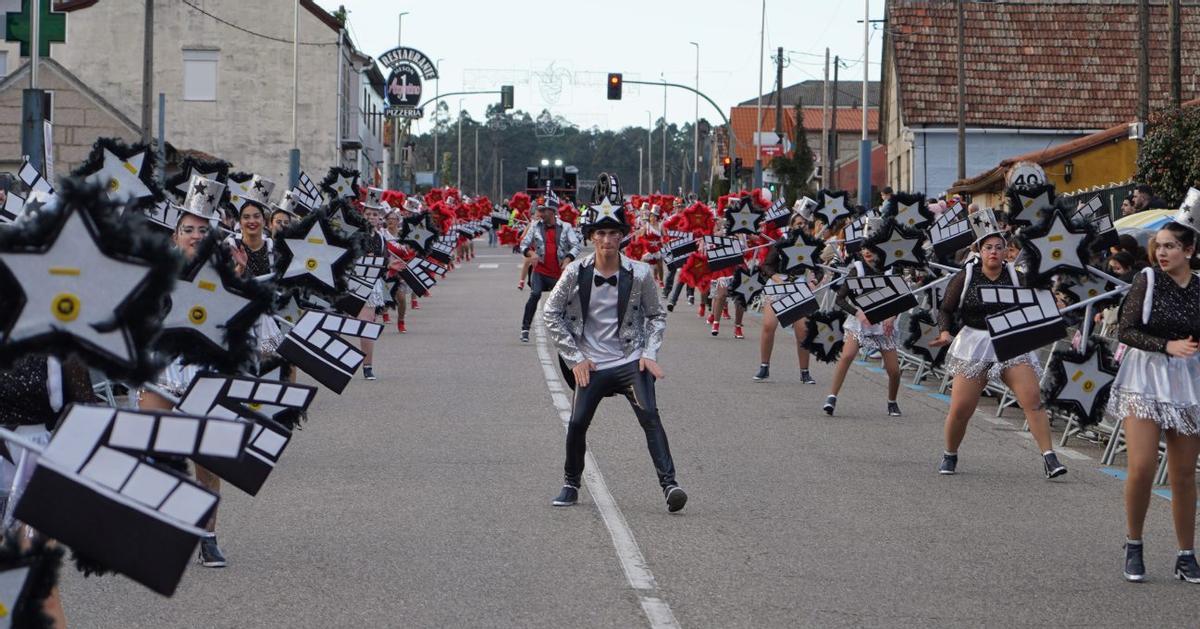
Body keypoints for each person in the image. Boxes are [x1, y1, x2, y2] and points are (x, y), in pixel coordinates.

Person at [543, 179, 685, 513]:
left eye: (614, 233)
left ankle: (671, 485)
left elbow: (656, 315)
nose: (607, 240)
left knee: (650, 415)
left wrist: (649, 354)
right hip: (591, 363)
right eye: (601, 234)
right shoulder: (575, 272)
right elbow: (551, 313)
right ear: (592, 236)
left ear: (622, 236)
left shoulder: (640, 273)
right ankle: (570, 484)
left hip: (629, 360)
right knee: (577, 423)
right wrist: (575, 357)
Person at [928, 209, 1067, 479]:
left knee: (1032, 399)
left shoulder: (1017, 276)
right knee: (960, 409)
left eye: (999, 247)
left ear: (1007, 251)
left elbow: (1039, 298)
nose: (994, 252)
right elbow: (946, 308)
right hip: (975, 341)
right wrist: (945, 333)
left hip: (1009, 339)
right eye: (988, 247)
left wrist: (1056, 303)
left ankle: (1049, 458)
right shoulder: (966, 275)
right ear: (980, 250)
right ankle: (950, 453)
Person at [1108, 221, 1200, 583]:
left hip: (1187, 380)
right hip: (1145, 376)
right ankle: (1134, 543)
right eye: (1158, 246)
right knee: (1143, 465)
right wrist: (1166, 346)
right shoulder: (1146, 280)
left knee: (1182, 474)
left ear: (1189, 251)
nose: (1161, 252)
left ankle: (1186, 554)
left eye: (1170, 246)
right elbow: (1126, 330)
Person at [822, 230, 902, 417]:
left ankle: (892, 401)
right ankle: (832, 397)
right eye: (864, 247)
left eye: (871, 248)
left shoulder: (891, 270)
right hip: (860, 322)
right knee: (847, 356)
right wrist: (858, 313)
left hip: (883, 323)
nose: (867, 251)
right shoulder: (856, 269)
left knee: (894, 370)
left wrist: (892, 316)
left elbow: (901, 298)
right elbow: (840, 299)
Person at [754, 213, 817, 383]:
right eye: (797, 223)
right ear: (791, 226)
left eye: (803, 223)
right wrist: (775, 278)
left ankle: (805, 372)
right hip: (778, 283)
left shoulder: (811, 245)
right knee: (768, 325)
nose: (801, 226)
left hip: (799, 286)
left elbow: (818, 267)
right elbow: (766, 265)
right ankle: (764, 367)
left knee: (802, 331)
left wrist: (815, 280)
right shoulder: (781, 243)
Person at [518, 193, 580, 343]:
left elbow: (576, 245)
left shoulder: (566, 227)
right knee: (535, 294)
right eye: (539, 210)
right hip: (540, 271)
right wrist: (531, 253)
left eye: (543, 210)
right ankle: (525, 328)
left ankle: (570, 331)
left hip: (558, 273)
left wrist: (567, 260)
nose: (540, 213)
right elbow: (523, 244)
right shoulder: (535, 226)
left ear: (552, 211)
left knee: (567, 301)